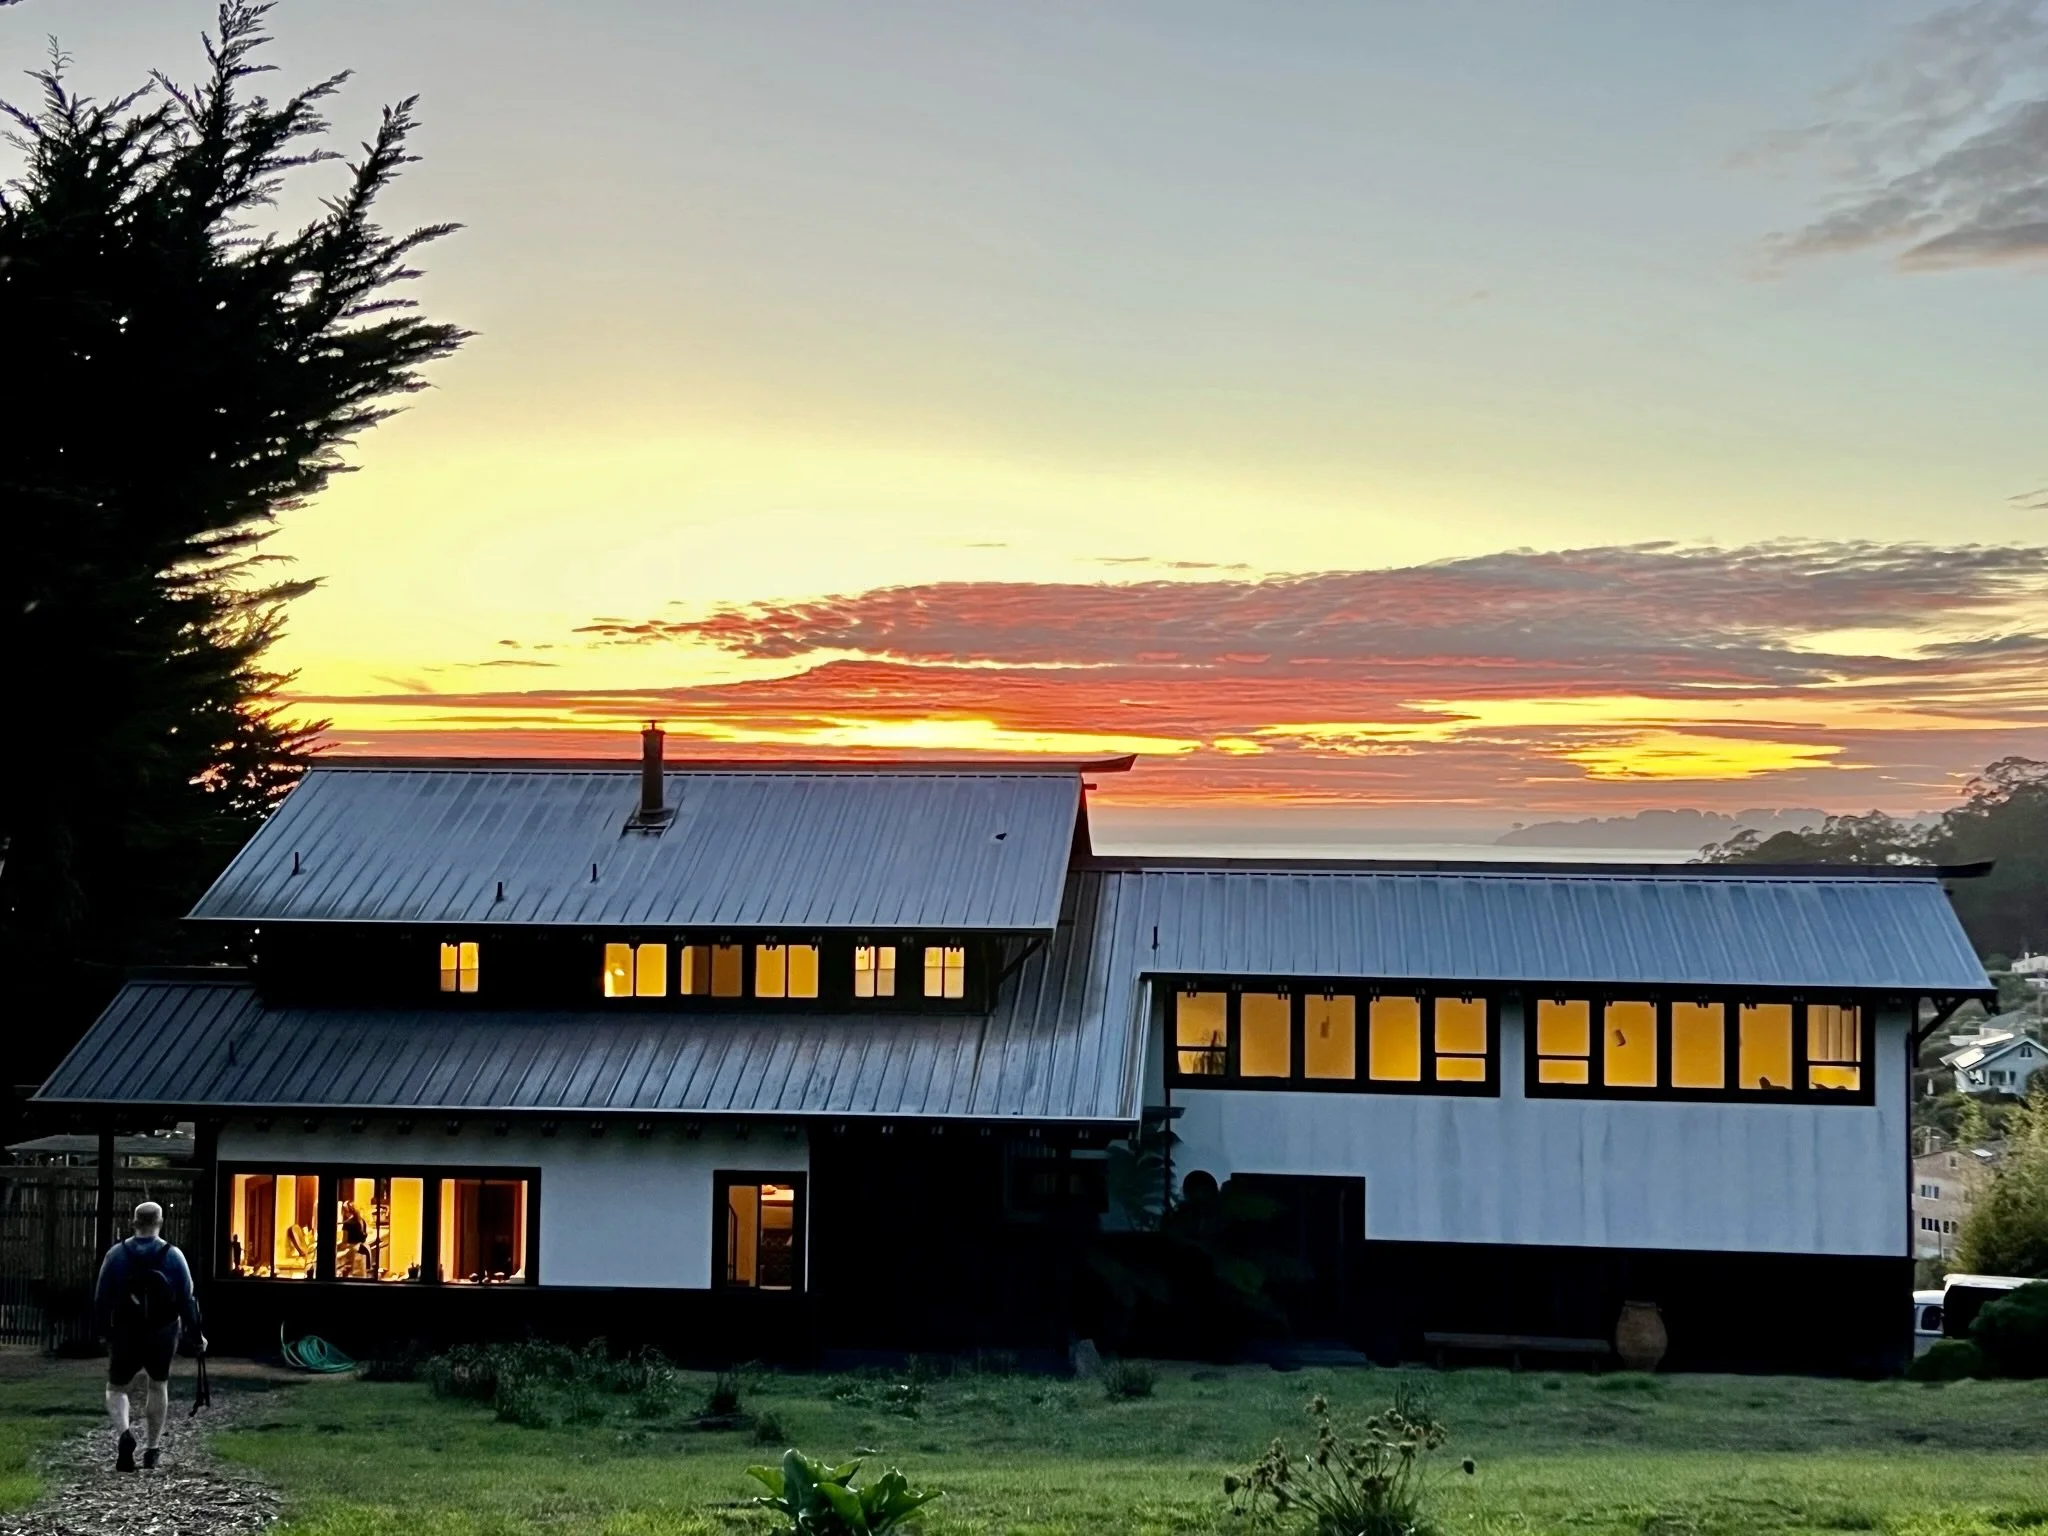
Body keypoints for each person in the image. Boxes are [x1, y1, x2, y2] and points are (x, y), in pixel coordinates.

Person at [93, 1201, 205, 1473]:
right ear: (160, 1221)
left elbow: (101, 1298)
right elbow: (187, 1299)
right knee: (158, 1384)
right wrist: (196, 1334)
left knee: (116, 1387)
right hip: (163, 1331)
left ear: (134, 1222)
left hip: (125, 1330)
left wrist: (104, 1331)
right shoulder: (174, 1255)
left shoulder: (116, 1254)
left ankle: (124, 1434)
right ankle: (152, 1449)